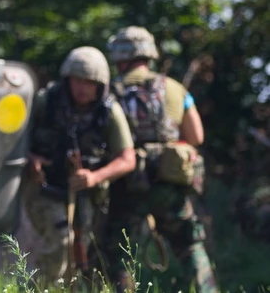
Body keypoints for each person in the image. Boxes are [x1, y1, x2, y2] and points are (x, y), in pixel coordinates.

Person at [101, 26, 218, 293]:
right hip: (169, 183)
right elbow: (196, 136)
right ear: (149, 55)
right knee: (190, 245)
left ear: (120, 56)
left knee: (120, 254)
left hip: (125, 183)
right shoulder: (174, 87)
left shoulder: (111, 92)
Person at [23, 46, 136, 286]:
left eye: (89, 82)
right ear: (68, 80)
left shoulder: (109, 111)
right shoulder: (46, 102)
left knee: (83, 257)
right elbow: (14, 141)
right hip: (46, 189)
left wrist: (95, 177)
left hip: (89, 197)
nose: (82, 88)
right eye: (77, 80)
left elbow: (128, 159)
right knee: (61, 240)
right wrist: (30, 159)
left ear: (100, 84)